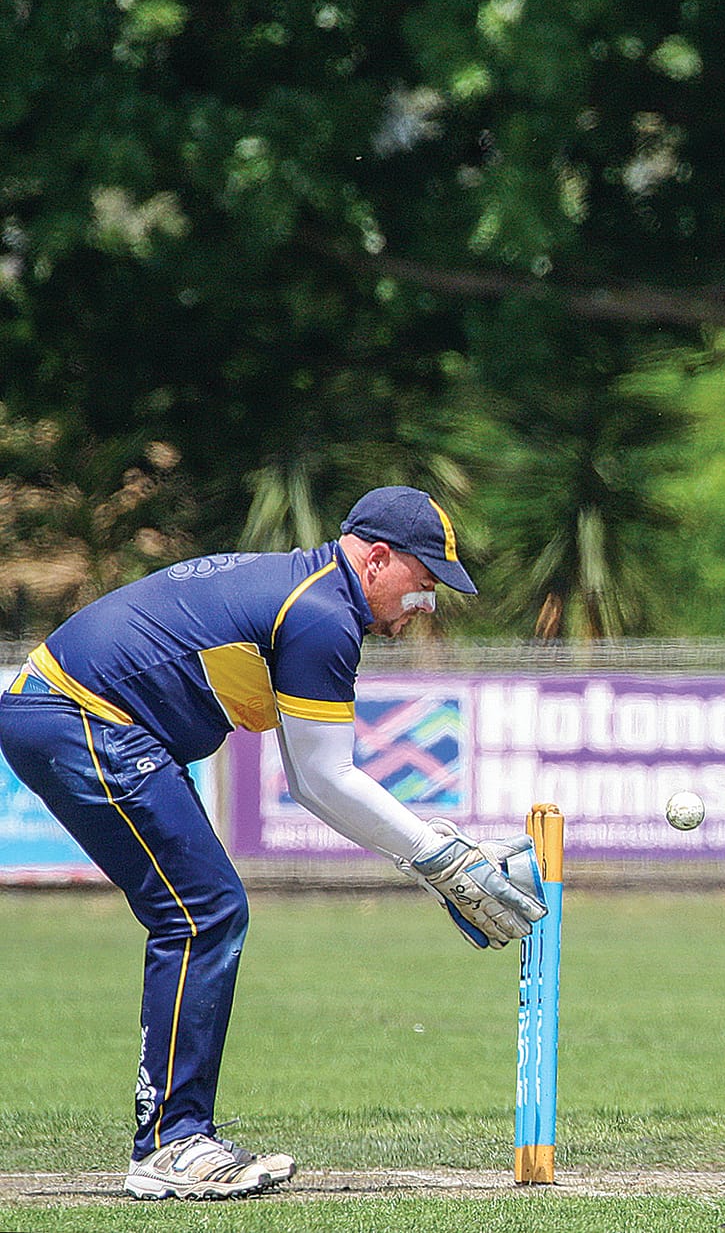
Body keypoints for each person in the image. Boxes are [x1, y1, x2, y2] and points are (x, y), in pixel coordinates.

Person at [0, 486, 545, 1200]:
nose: (427, 605)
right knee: (204, 911)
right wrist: (439, 859)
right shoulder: (323, 614)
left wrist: (429, 857)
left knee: (204, 909)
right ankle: (170, 1143)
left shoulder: (313, 595)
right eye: (424, 583)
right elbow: (324, 775)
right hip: (82, 715)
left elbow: (312, 781)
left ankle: (178, 1134)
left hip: (80, 714)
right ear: (378, 558)